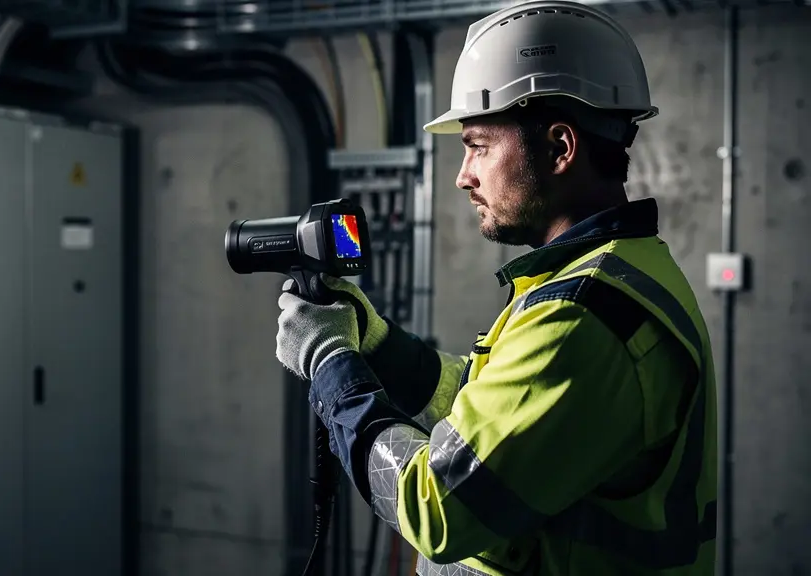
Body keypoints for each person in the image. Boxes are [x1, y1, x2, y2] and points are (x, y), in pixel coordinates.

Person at [273, 1, 718, 574]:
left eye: (478, 145)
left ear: (561, 148)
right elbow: (493, 407)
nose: (463, 175)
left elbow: (437, 508)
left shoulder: (583, 315)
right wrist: (378, 344)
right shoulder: (611, 275)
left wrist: (331, 361)